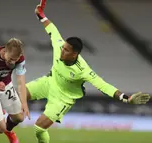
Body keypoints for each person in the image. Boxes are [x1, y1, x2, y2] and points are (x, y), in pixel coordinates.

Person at [25, 0, 150, 142]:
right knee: (19, 95)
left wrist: (126, 98)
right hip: (49, 82)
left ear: (74, 54)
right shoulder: (59, 45)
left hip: (63, 98)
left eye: (66, 50)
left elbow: (103, 85)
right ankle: (8, 127)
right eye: (63, 47)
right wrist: (40, 15)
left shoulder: (83, 70)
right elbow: (52, 29)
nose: (62, 50)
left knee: (39, 128)